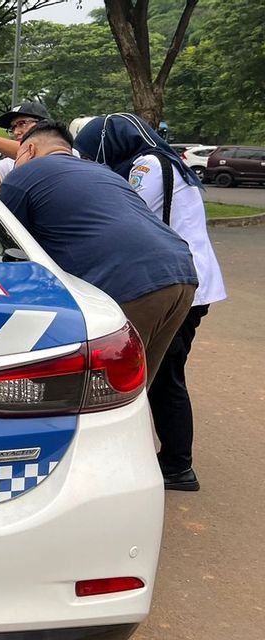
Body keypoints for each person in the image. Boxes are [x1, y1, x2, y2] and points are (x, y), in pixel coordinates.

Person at [75, 113, 227, 492]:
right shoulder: (167, 161)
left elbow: (124, 213)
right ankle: (173, 459)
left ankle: (177, 465)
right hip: (191, 280)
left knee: (164, 378)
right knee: (165, 375)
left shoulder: (145, 166)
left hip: (171, 279)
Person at [0, 120, 198, 386]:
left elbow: (4, 243)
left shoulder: (24, 174)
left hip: (129, 281)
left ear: (30, 149)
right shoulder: (104, 172)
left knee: (102, 392)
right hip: (180, 274)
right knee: (135, 389)